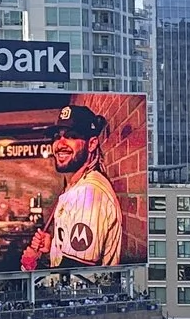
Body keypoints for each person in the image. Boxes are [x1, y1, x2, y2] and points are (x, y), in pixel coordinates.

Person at [17, 101, 133, 271]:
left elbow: (77, 275)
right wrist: (54, 248)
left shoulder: (88, 193)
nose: (60, 143)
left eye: (71, 135)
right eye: (57, 136)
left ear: (92, 144)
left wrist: (34, 263)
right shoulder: (76, 186)